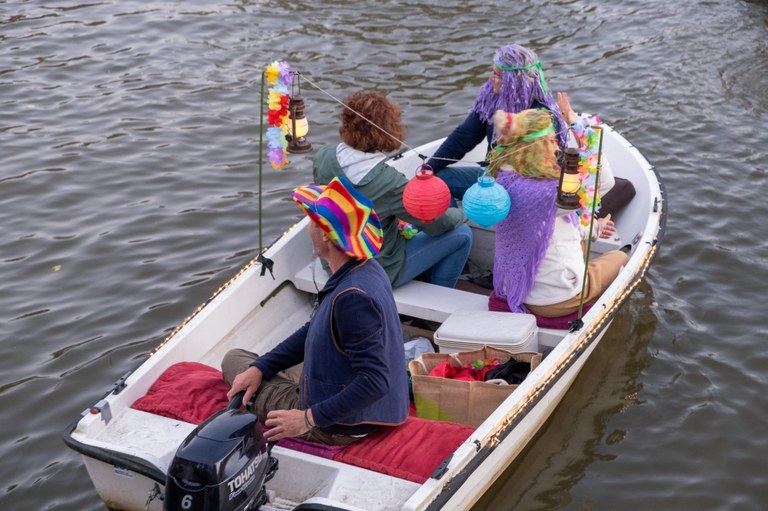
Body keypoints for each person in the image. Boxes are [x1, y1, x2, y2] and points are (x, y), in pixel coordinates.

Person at [222, 176, 409, 445]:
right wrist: (262, 366)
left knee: (233, 360)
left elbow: (375, 381)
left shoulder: (351, 298)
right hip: (378, 407)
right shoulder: (368, 267)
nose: (309, 227)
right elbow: (316, 329)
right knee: (254, 364)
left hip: (341, 424)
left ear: (324, 234)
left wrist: (307, 419)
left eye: (312, 222)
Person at [425, 43, 635, 218]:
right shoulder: (491, 98)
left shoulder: (542, 115)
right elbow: (463, 137)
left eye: (497, 76)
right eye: (492, 73)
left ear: (513, 82)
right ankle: (456, 230)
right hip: (491, 177)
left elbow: (542, 171)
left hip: (525, 189)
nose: (491, 79)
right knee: (438, 180)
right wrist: (429, 166)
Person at [313, 89, 472, 289]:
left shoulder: (323, 157)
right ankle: (438, 294)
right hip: (375, 270)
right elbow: (436, 225)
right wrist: (463, 213)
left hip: (333, 261)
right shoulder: (390, 182)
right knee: (463, 234)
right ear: (387, 129)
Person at [486, 108, 629, 318]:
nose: (557, 147)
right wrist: (580, 128)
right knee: (620, 257)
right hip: (554, 300)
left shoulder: (503, 179)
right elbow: (604, 182)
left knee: (581, 243)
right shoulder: (550, 192)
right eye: (552, 141)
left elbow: (555, 228)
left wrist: (595, 228)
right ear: (537, 147)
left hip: (516, 287)